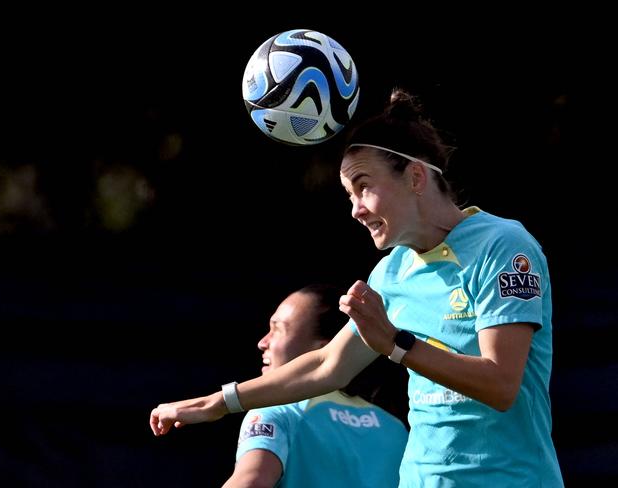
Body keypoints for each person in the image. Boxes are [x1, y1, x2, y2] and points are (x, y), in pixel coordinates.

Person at [150, 88, 564, 487]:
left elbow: (501, 384)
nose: (356, 209)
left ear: (416, 176)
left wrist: (396, 344)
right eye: (349, 194)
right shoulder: (392, 272)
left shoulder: (503, 246)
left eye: (364, 186)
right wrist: (217, 403)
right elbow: (326, 365)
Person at [221, 284, 408, 487]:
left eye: (277, 330)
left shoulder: (275, 410)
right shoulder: (395, 428)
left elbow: (251, 482)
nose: (262, 342)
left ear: (323, 349)